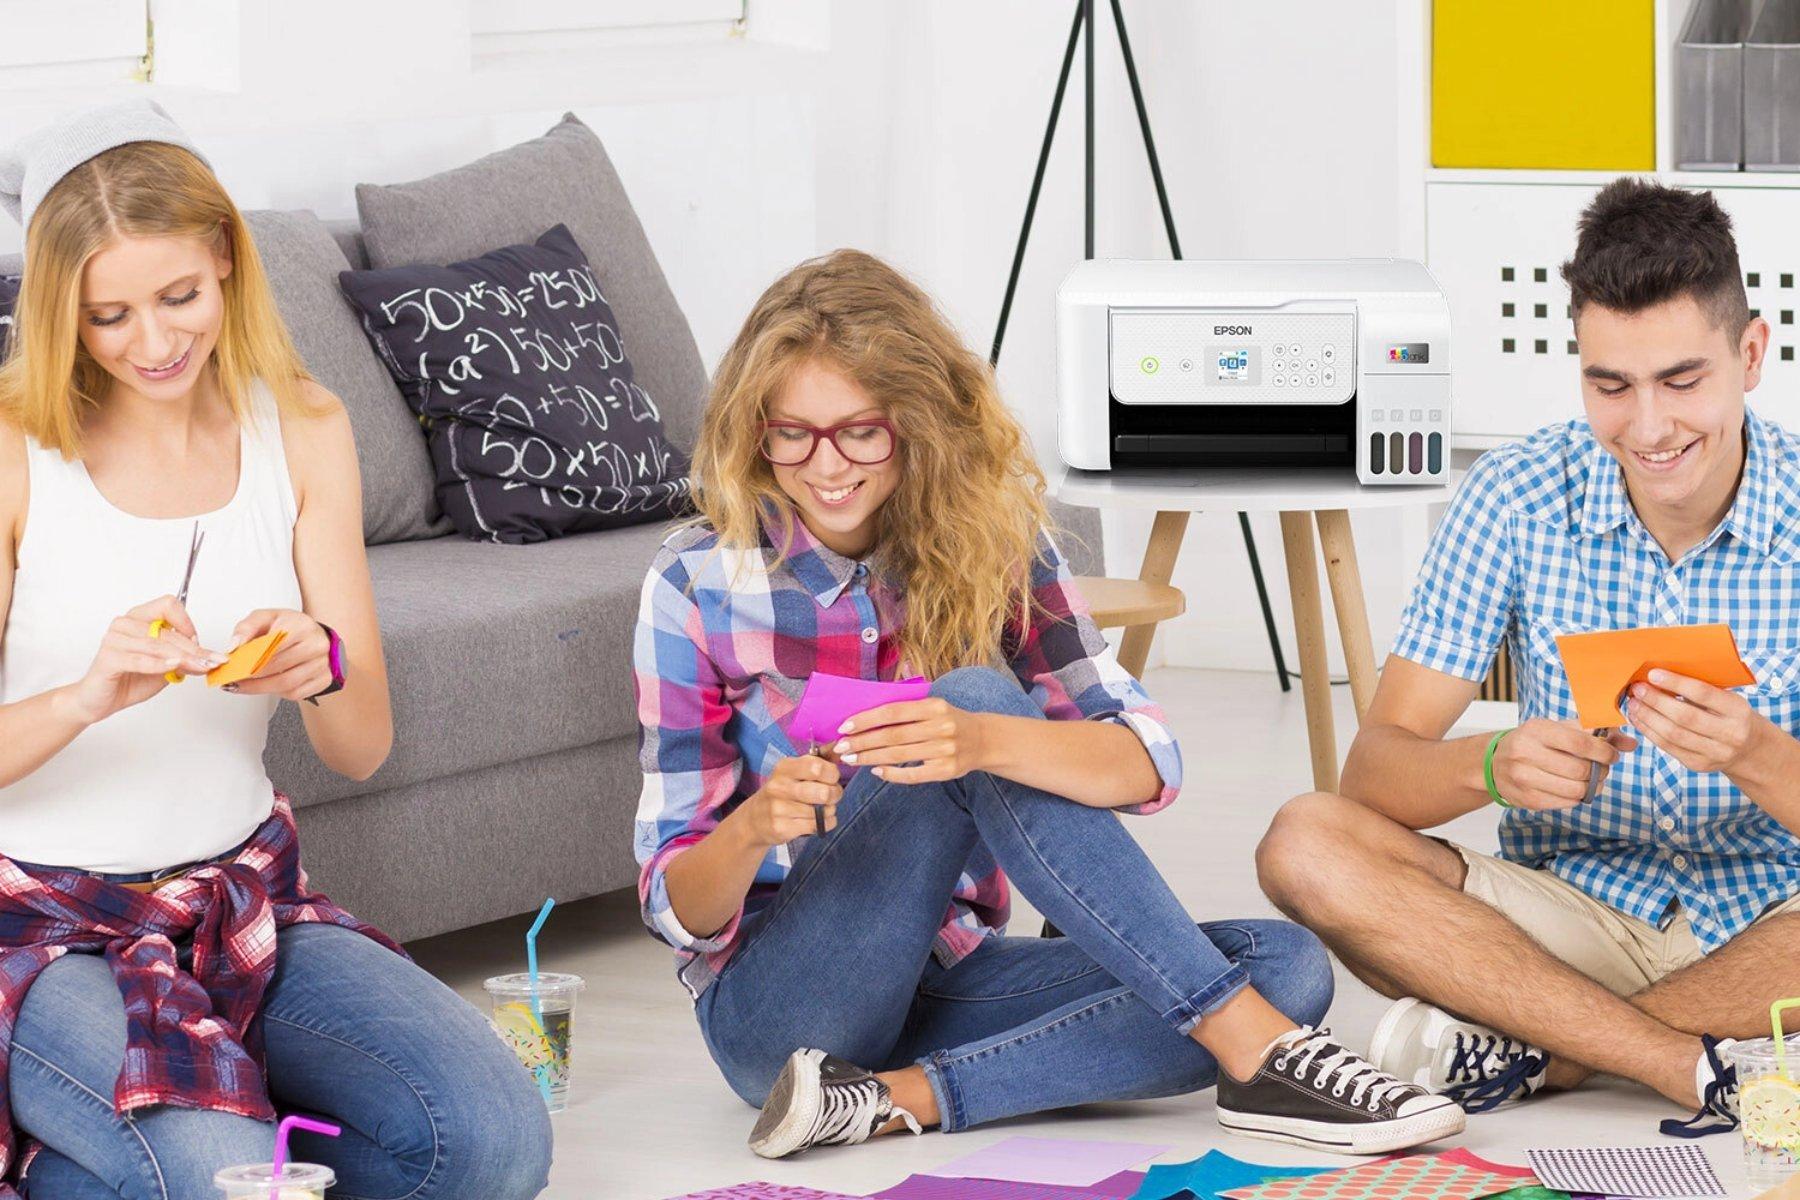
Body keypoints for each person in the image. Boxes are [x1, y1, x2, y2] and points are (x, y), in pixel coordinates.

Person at [632, 248, 1464, 1159]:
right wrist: (754, 826)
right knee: (975, 696)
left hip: (953, 978)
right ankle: (1253, 1052)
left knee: (1287, 967)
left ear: (916, 426)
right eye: (790, 432)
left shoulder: (995, 549)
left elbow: (1145, 763)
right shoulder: (695, 582)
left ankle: (890, 1100)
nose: (823, 465)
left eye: (860, 431)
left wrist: (985, 737)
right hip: (780, 1009)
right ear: (754, 432)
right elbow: (674, 901)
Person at [0, 100, 553, 1199]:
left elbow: (359, 748)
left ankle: (127, 1154)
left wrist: (321, 663)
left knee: (497, 1144)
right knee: (230, 1181)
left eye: (178, 298)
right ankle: (179, 1148)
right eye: (108, 315)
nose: (153, 344)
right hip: (38, 925)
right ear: (62, 308)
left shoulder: (302, 426)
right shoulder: (16, 449)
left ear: (223, 261)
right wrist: (85, 695)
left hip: (240, 902)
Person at [1257, 178, 1800, 1135]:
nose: (1650, 429)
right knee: (1305, 842)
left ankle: (1546, 1055)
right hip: (1560, 920)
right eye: (1611, 385)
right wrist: (1494, 766)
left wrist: (1752, 753)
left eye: (1683, 381)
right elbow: (1371, 775)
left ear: (1750, 354)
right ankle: (1687, 1061)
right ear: (1580, 369)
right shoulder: (1516, 495)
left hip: (1770, 922)